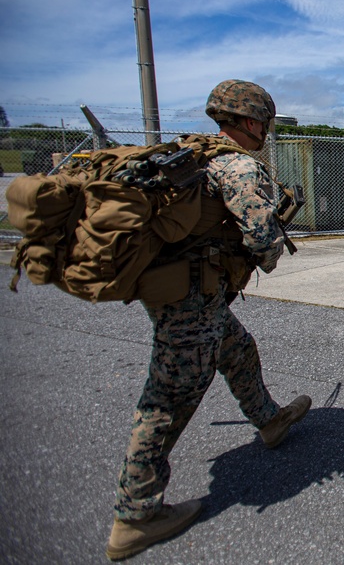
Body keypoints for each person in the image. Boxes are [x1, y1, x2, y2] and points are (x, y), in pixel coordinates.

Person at [107, 80, 312, 560]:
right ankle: (135, 515)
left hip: (178, 291)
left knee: (237, 349)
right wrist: (269, 249)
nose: (265, 130)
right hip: (191, 300)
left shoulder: (189, 155)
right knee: (168, 399)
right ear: (249, 121)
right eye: (262, 121)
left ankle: (269, 420)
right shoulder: (239, 165)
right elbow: (263, 242)